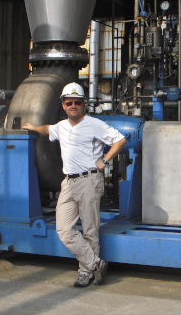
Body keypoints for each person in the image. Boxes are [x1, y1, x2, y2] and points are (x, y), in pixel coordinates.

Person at [23, 82, 126, 287]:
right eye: (68, 102)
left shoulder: (93, 124)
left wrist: (104, 160)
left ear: (83, 104)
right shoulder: (61, 126)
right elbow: (48, 129)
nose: (73, 106)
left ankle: (86, 273)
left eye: (77, 102)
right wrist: (34, 128)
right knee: (63, 229)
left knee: (89, 229)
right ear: (63, 105)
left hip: (89, 180)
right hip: (68, 182)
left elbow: (120, 139)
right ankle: (95, 264)